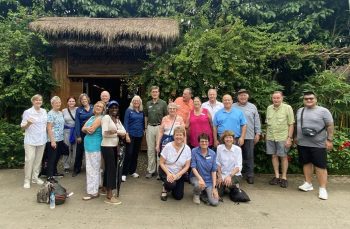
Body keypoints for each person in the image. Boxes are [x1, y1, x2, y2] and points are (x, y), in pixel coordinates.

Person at [296, 91, 334, 200]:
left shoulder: (323, 111)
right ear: (303, 100)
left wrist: (329, 140)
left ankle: (322, 188)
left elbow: (330, 125)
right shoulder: (300, 110)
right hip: (303, 143)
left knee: (320, 166)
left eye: (311, 98)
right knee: (306, 163)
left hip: (318, 143)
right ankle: (308, 183)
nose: (308, 100)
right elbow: (297, 125)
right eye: (306, 99)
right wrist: (295, 137)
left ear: (316, 99)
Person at [266, 91, 294, 188]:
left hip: (283, 137)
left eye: (278, 98)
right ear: (272, 98)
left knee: (283, 156)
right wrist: (266, 136)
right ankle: (277, 176)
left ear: (282, 98)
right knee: (274, 156)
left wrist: (289, 138)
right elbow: (267, 123)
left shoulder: (287, 108)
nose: (276, 100)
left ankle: (284, 177)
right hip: (270, 137)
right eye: (274, 98)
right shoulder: (269, 108)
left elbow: (291, 124)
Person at [233, 89, 261, 184]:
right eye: (241, 95)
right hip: (236, 136)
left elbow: (257, 121)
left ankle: (250, 175)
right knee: (235, 157)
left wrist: (258, 133)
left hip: (249, 136)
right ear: (238, 97)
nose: (242, 97)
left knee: (249, 156)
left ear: (248, 96)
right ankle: (235, 175)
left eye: (244, 95)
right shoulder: (233, 106)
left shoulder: (253, 107)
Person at [101, 100, 126, 204]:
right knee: (112, 170)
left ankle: (105, 188)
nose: (114, 109)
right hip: (107, 146)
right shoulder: (106, 118)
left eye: (116, 107)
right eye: (112, 107)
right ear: (108, 109)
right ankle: (109, 196)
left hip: (114, 146)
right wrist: (117, 132)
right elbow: (104, 133)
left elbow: (124, 132)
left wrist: (115, 131)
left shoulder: (117, 119)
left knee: (109, 168)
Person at [21, 94, 47, 189]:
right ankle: (27, 180)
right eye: (36, 100)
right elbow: (22, 127)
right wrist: (28, 123)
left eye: (40, 100)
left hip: (42, 140)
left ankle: (35, 178)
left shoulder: (44, 111)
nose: (38, 101)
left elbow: (45, 125)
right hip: (30, 140)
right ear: (33, 101)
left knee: (38, 161)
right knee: (29, 160)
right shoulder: (27, 112)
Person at [159, 126, 191, 201]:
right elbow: (161, 162)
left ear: (184, 136)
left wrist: (177, 175)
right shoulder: (168, 146)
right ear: (173, 136)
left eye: (180, 135)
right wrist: (168, 174)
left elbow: (187, 166)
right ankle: (165, 188)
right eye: (177, 135)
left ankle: (173, 186)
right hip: (166, 170)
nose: (178, 137)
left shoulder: (187, 149)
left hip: (179, 173)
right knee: (171, 184)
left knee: (178, 196)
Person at [82, 101, 105, 200]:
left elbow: (91, 131)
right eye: (97, 106)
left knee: (92, 169)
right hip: (88, 145)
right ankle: (97, 185)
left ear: (103, 109)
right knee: (94, 167)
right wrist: (87, 128)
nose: (98, 107)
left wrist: (86, 128)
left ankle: (93, 192)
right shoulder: (92, 117)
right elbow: (83, 128)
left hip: (94, 146)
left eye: (101, 106)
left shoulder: (100, 118)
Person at [144, 86, 168, 179]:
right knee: (150, 149)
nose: (154, 93)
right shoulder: (148, 103)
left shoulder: (163, 103)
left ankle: (159, 171)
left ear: (159, 93)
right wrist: (145, 127)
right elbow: (145, 116)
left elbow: (166, 117)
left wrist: (164, 129)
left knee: (158, 149)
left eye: (156, 92)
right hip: (150, 127)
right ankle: (150, 170)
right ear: (151, 93)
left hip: (160, 127)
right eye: (153, 92)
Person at [190, 133, 219, 206]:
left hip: (208, 180)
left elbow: (213, 171)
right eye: (202, 141)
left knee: (215, 202)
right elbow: (193, 167)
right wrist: (200, 179)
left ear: (209, 142)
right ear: (199, 142)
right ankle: (196, 194)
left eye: (206, 141)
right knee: (198, 185)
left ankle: (203, 193)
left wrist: (214, 187)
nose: (204, 143)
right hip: (196, 177)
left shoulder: (212, 153)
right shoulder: (194, 151)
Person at [122, 95, 144, 182]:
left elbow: (142, 122)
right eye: (134, 101)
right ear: (132, 102)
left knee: (135, 154)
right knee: (129, 153)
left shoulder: (141, 111)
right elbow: (126, 123)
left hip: (139, 135)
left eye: (138, 101)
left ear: (140, 102)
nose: (136, 102)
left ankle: (132, 171)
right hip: (130, 135)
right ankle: (124, 173)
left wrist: (143, 131)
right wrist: (126, 134)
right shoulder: (128, 110)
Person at [216, 130, 242, 197]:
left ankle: (234, 186)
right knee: (219, 194)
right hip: (222, 174)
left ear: (233, 139)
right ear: (223, 139)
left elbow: (238, 166)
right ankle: (226, 187)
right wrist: (219, 176)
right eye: (226, 137)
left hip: (234, 175)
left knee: (229, 183)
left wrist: (230, 176)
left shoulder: (238, 149)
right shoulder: (219, 148)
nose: (228, 139)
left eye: (230, 137)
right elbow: (217, 163)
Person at [73, 93, 94, 177]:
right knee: (79, 151)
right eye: (82, 100)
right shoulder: (79, 110)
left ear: (88, 99)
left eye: (85, 99)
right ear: (80, 101)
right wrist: (78, 136)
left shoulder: (93, 107)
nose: (84, 101)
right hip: (82, 132)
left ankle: (91, 168)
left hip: (92, 132)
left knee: (91, 151)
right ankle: (77, 168)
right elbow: (77, 123)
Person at [46, 96, 65, 183]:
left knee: (57, 157)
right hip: (53, 139)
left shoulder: (60, 113)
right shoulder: (50, 113)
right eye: (56, 102)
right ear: (52, 104)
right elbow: (49, 128)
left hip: (60, 138)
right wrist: (52, 140)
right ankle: (49, 176)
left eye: (59, 102)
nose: (58, 104)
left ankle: (54, 172)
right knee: (52, 158)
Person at [62, 96, 77, 174]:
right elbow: (61, 121)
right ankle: (66, 165)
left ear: (75, 102)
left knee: (75, 149)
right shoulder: (63, 111)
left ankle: (75, 165)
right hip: (67, 131)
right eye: (70, 101)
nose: (71, 102)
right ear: (67, 102)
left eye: (73, 101)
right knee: (67, 148)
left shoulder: (78, 110)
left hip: (76, 131)